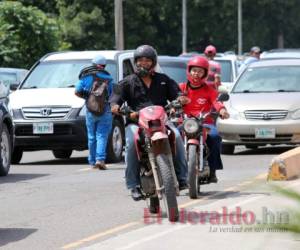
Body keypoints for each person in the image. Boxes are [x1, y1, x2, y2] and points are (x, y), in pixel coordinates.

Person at [110, 45, 188, 201]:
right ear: (135, 62)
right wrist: (116, 107)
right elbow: (115, 99)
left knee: (178, 137)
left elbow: (178, 94)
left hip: (161, 122)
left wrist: (179, 100)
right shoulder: (127, 82)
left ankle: (182, 177)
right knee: (131, 143)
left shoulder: (163, 80)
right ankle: (133, 185)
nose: (143, 63)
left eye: (147, 60)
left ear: (153, 63)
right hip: (137, 123)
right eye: (140, 60)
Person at [178, 56, 229, 183]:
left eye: (200, 71)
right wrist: (177, 103)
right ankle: (173, 172)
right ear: (189, 71)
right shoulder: (181, 88)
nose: (196, 74)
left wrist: (222, 110)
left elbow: (217, 102)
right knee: (173, 137)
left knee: (215, 137)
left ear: (205, 74)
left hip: (204, 122)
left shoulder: (209, 90)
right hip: (185, 123)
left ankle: (212, 170)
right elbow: (173, 100)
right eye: (194, 70)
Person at [75, 55, 114, 170]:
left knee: (91, 136)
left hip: (90, 110)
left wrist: (89, 98)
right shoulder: (108, 78)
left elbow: (77, 91)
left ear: (93, 64)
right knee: (101, 135)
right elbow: (112, 94)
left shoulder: (86, 77)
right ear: (104, 65)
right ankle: (100, 159)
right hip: (105, 110)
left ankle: (92, 161)